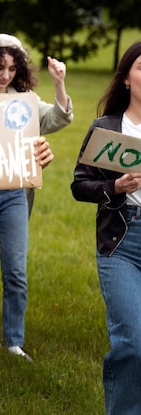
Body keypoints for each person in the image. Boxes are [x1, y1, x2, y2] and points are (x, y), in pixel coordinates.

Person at [0, 33, 72, 386]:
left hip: (14, 193)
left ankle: (14, 342)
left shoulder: (23, 102)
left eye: (12, 68)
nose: (5, 75)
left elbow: (58, 117)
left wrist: (59, 83)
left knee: (16, 271)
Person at [71, 41, 141, 415]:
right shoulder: (107, 127)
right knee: (133, 342)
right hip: (122, 242)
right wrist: (115, 187)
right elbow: (79, 185)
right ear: (127, 77)